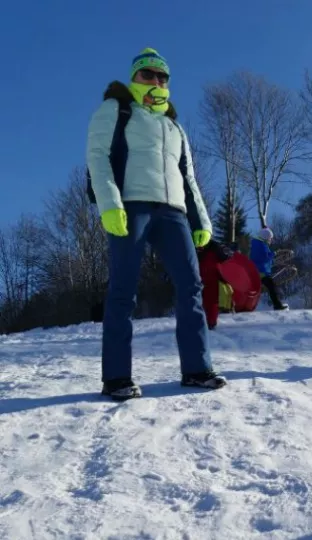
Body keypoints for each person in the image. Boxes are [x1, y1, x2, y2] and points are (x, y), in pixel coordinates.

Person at [86, 47, 226, 400]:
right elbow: (98, 157)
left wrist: (201, 220)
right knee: (123, 290)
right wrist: (109, 204)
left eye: (163, 76)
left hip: (174, 213)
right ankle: (116, 378)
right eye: (148, 74)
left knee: (192, 286)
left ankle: (197, 369)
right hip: (131, 207)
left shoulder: (174, 126)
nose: (156, 80)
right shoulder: (116, 110)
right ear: (134, 77)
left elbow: (188, 177)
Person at [197, 239, 235, 330]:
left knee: (206, 300)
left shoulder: (197, 246)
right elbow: (225, 258)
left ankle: (207, 321)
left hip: (203, 275)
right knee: (211, 300)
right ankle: (211, 322)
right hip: (212, 275)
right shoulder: (215, 247)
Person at [249, 227, 289, 310]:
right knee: (272, 287)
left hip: (258, 271)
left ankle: (277, 304)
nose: (271, 240)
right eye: (270, 238)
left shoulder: (257, 244)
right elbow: (265, 257)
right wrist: (274, 253)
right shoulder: (261, 245)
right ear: (266, 237)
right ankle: (277, 305)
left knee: (269, 287)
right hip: (261, 272)